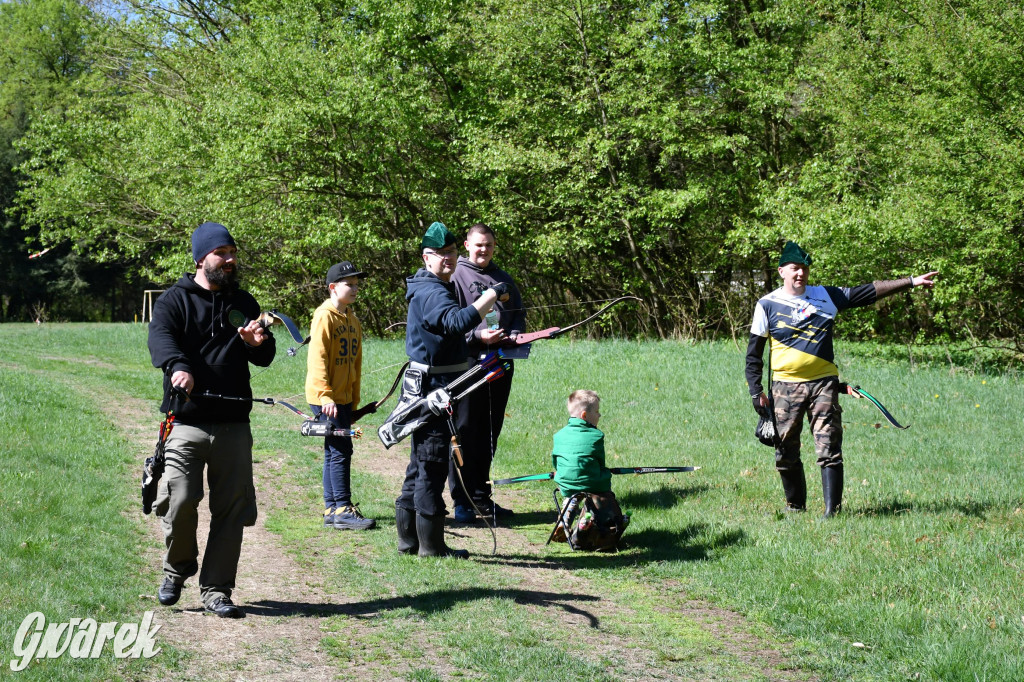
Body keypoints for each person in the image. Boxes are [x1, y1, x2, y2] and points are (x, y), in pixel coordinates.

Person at [745, 241, 938, 517]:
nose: (800, 273)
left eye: (804, 269)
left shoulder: (826, 296)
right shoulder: (766, 305)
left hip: (824, 384)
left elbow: (867, 292)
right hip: (784, 388)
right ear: (781, 272)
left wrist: (910, 281)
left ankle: (831, 513)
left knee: (829, 447)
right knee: (785, 450)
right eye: (794, 268)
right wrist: (756, 392)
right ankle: (795, 507)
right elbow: (754, 355)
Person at [147, 221, 276, 618]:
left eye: (233, 252)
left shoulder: (244, 301)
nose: (231, 259)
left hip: (234, 423)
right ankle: (177, 567)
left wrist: (258, 342)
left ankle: (217, 589)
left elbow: (264, 356)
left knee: (231, 509)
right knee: (181, 499)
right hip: (187, 421)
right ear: (202, 258)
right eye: (222, 253)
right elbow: (161, 338)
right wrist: (177, 367)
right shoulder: (175, 300)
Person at [395, 221, 506, 558]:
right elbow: (456, 323)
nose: (448, 258)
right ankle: (431, 546)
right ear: (427, 257)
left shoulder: (434, 285)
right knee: (429, 463)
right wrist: (490, 296)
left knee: (420, 463)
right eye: (441, 254)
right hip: (432, 389)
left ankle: (410, 541)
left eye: (452, 252)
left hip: (436, 385)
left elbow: (452, 333)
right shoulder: (431, 290)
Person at [448, 223, 526, 523]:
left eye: (489, 245)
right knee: (464, 431)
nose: (484, 250)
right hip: (466, 365)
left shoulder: (503, 279)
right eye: (478, 245)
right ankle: (463, 501)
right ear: (467, 244)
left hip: (501, 364)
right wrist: (477, 338)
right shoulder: (455, 275)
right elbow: (448, 326)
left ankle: (482, 497)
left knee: (490, 432)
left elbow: (518, 317)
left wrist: (516, 336)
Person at [305, 261, 375, 531]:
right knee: (341, 450)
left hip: (342, 399)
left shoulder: (352, 319)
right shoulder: (324, 316)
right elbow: (318, 358)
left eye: (357, 284)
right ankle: (343, 508)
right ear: (333, 288)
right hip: (327, 398)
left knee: (334, 451)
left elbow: (355, 363)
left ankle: (332, 509)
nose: (356, 289)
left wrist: (354, 401)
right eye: (350, 284)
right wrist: (325, 397)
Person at [551, 390, 628, 551]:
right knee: (598, 484)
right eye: (597, 411)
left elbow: (556, 461)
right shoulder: (597, 436)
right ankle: (589, 524)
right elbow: (599, 463)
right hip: (592, 482)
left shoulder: (559, 435)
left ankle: (566, 517)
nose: (600, 415)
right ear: (585, 415)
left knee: (572, 492)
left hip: (566, 482)